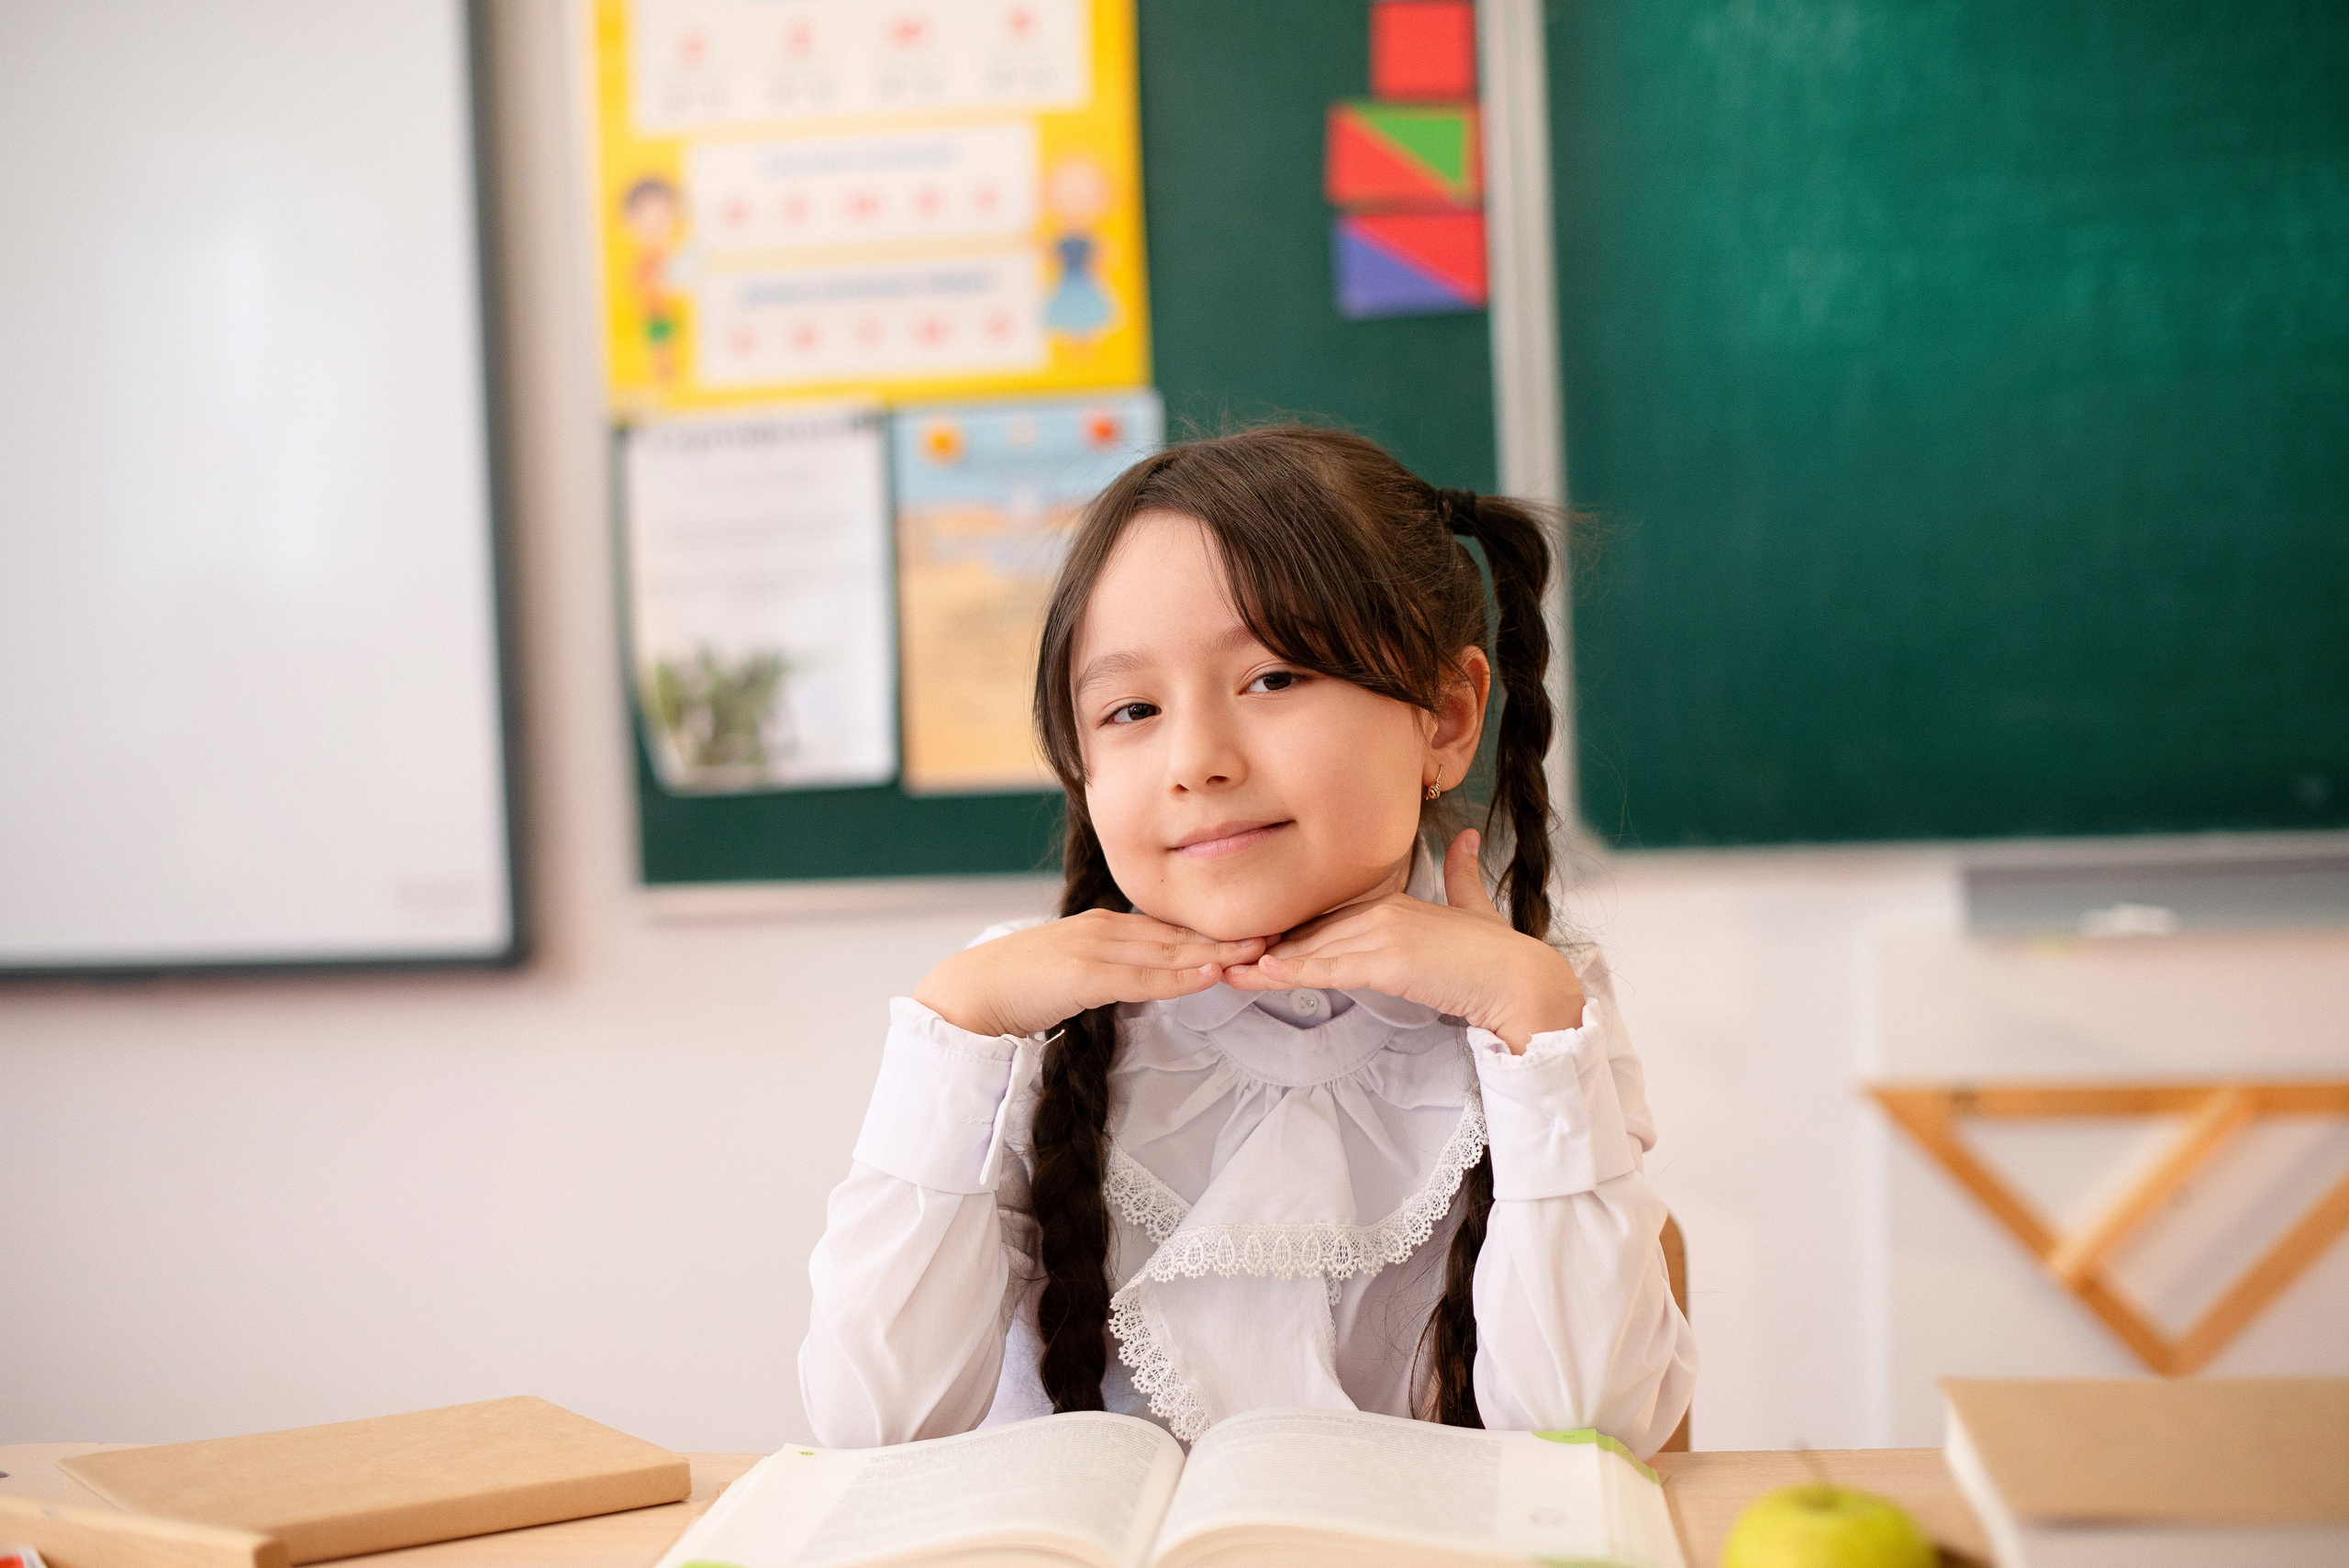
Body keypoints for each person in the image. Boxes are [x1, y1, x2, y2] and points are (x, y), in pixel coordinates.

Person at [800, 426, 1697, 1453]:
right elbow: (876, 1426)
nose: (1196, 760)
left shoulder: (1536, 1006)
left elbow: (1591, 1434)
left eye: (1272, 679)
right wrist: (955, 1029)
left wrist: (1535, 1026)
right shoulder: (1013, 1024)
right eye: (1131, 708)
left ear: (1446, 718)